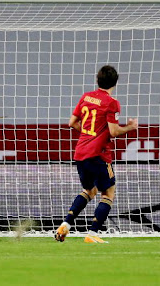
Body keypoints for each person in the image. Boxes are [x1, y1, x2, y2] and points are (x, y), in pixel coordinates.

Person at [55, 65, 138, 244]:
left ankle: (66, 224)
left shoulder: (86, 97)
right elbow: (114, 132)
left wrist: (89, 135)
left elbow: (72, 123)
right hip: (99, 155)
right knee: (108, 193)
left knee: (89, 190)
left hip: (80, 152)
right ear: (115, 82)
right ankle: (92, 233)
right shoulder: (111, 102)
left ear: (97, 80)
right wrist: (131, 127)